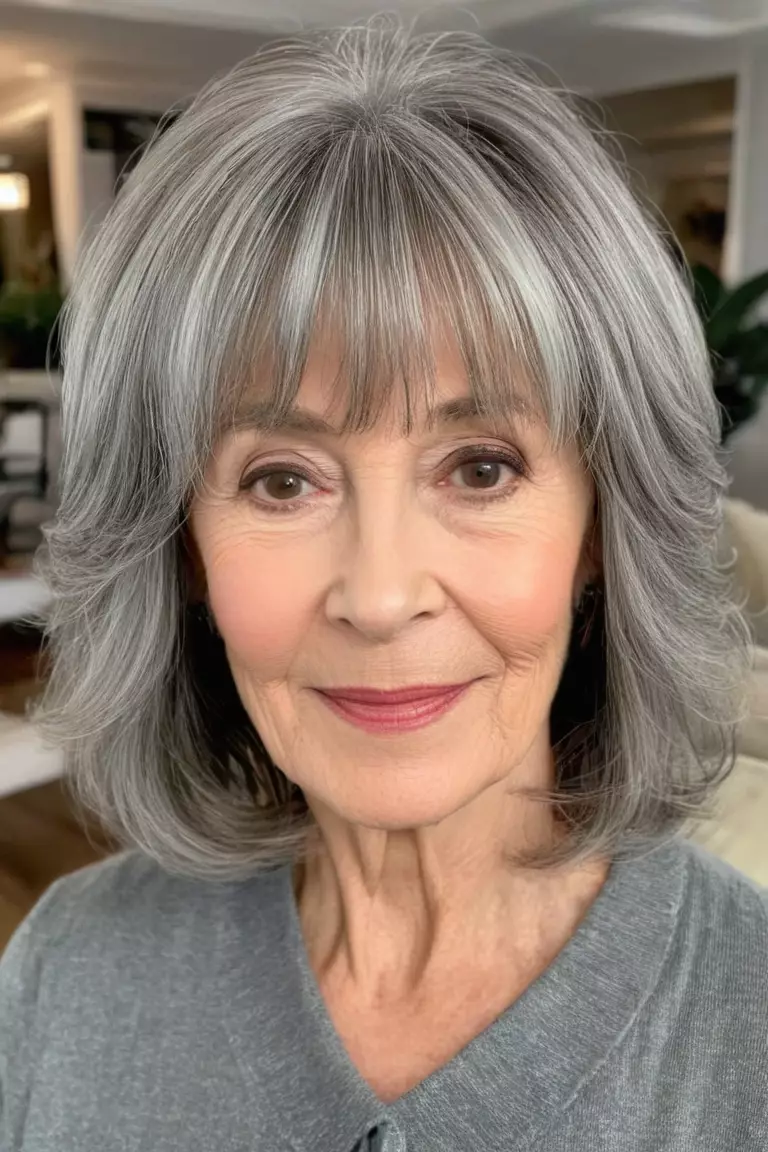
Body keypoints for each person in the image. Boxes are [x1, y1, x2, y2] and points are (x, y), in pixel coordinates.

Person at [1, 18, 765, 1152]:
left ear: (601, 525)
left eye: (481, 466)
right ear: (181, 551)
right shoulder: (67, 972)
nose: (380, 592)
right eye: (280, 481)